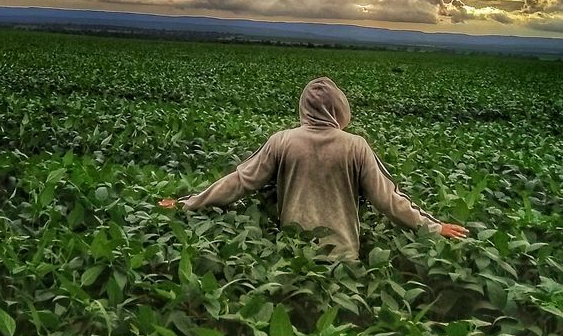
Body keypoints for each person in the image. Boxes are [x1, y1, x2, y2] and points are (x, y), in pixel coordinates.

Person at [158, 75, 468, 261]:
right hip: (342, 256)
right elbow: (389, 199)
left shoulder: (282, 141)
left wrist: (187, 204)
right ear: (338, 108)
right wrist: (434, 227)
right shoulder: (355, 146)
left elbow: (238, 182)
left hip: (294, 257)